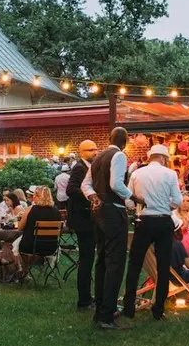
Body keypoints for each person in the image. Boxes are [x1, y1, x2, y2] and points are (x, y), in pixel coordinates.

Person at [122, 143, 182, 321]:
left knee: (134, 263)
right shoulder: (170, 174)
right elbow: (177, 200)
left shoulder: (137, 173)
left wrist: (139, 206)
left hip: (144, 220)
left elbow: (128, 202)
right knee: (163, 266)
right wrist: (165, 205)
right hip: (163, 221)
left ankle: (129, 307)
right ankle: (158, 308)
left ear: (150, 157)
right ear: (163, 158)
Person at [81, 127, 133, 330]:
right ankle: (106, 314)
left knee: (101, 260)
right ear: (125, 142)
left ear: (108, 139)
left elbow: (86, 185)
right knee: (115, 262)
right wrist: (132, 196)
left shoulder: (98, 156)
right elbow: (116, 184)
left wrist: (94, 198)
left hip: (99, 214)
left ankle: (101, 309)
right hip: (114, 212)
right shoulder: (119, 155)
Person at [67, 139, 97, 311]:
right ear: (82, 152)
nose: (95, 152)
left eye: (95, 149)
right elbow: (71, 189)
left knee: (88, 259)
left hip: (87, 218)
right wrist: (90, 195)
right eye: (90, 149)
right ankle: (84, 300)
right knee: (86, 260)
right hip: (82, 220)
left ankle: (87, 296)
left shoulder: (88, 167)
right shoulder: (79, 167)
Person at [18, 186, 62, 261]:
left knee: (10, 244)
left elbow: (20, 227)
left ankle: (22, 270)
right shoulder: (56, 211)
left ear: (36, 196)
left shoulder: (30, 209)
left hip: (30, 247)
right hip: (51, 248)